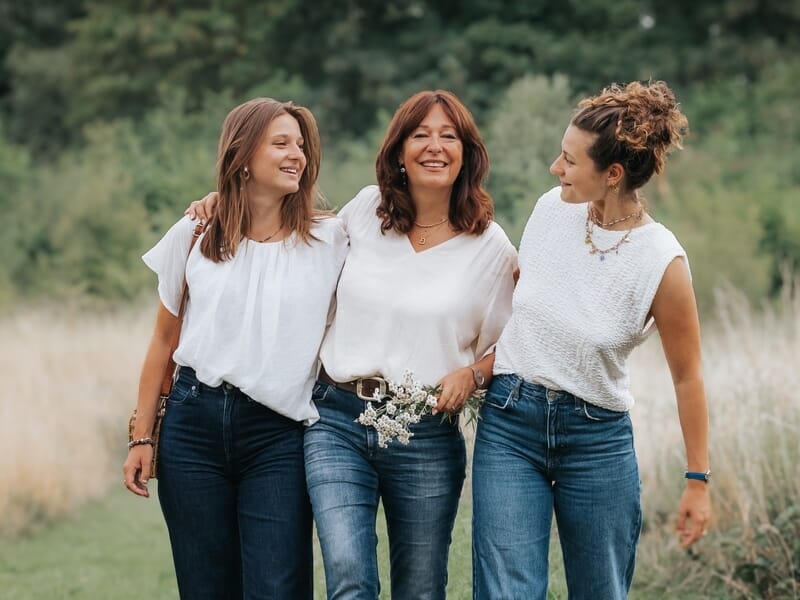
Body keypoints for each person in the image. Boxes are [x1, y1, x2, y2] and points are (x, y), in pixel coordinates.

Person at [188, 89, 517, 599]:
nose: (435, 147)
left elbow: (516, 343)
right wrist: (227, 199)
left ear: (467, 153)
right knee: (347, 573)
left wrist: (472, 374)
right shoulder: (367, 209)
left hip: (423, 431)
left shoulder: (491, 247)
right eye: (420, 135)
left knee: (421, 587)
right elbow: (292, 236)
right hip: (337, 419)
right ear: (399, 152)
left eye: (449, 137)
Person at [471, 80, 712, 600]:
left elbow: (688, 375)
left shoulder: (661, 262)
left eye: (568, 161)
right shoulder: (550, 210)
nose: (555, 170)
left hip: (596, 441)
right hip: (511, 423)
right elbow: (523, 315)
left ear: (613, 174)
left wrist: (698, 480)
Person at [123, 97, 348, 600]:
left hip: (280, 436)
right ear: (243, 155)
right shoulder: (196, 232)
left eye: (302, 145)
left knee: (277, 586)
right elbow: (163, 342)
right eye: (281, 143)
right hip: (192, 426)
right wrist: (141, 438)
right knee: (205, 587)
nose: (298, 155)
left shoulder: (331, 239)